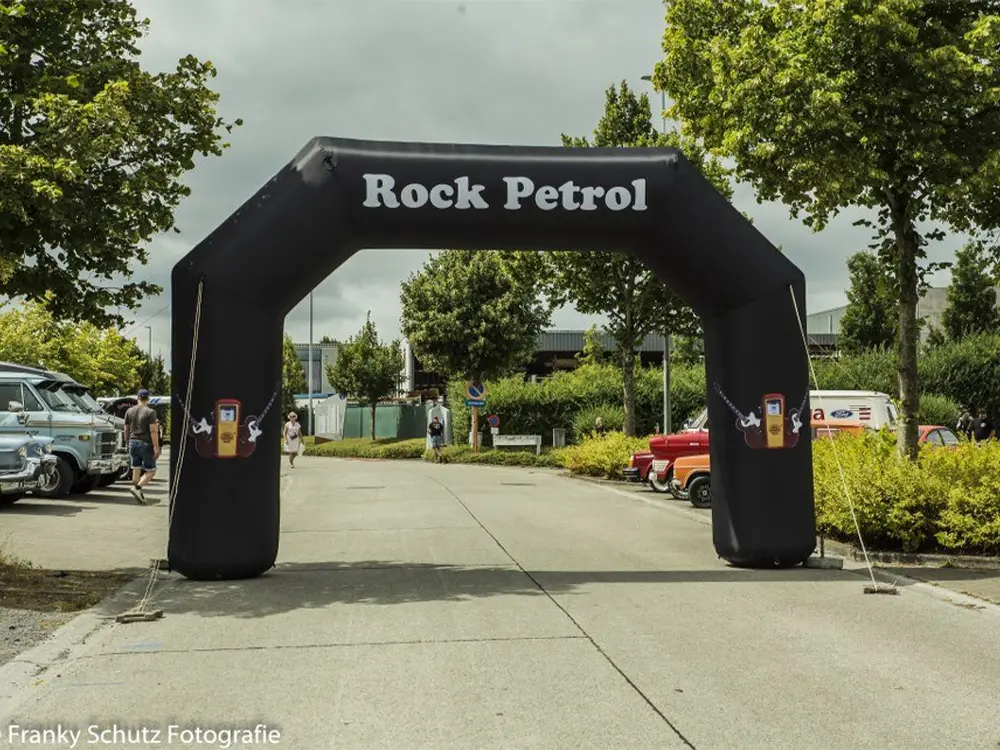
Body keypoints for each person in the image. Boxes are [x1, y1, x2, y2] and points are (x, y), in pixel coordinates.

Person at [123, 389, 160, 505]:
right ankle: (137, 488)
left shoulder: (129, 411)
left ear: (137, 398)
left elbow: (126, 429)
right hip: (145, 443)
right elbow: (153, 430)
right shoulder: (150, 412)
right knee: (151, 471)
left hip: (133, 442)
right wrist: (156, 447)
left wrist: (127, 442)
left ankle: (137, 491)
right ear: (148, 399)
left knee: (136, 468)